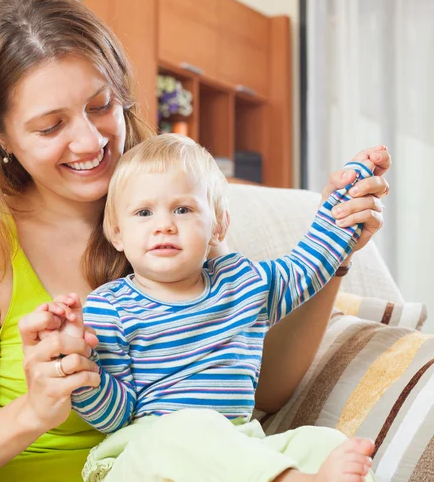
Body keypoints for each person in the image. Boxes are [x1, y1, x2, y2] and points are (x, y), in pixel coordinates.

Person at [0, 0, 391, 481]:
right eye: (50, 127)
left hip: (211, 462)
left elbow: (264, 389)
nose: (90, 141)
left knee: (325, 448)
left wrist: (337, 250)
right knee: (181, 431)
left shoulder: (175, 208)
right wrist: (34, 412)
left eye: (100, 104)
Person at [44, 133, 377, 482]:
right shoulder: (109, 307)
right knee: (188, 426)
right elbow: (113, 416)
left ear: (218, 226)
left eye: (183, 209)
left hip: (236, 448)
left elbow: (306, 266)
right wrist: (79, 369)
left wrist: (346, 199)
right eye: (143, 212)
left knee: (324, 442)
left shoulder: (241, 284)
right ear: (117, 233)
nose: (164, 225)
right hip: (143, 457)